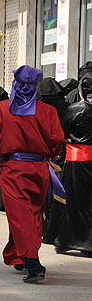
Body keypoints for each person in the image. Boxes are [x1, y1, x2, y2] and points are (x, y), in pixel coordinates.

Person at [0, 66, 64, 283]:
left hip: (13, 170)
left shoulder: (1, 110)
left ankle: (33, 262)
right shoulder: (48, 111)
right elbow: (57, 140)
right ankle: (20, 255)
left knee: (19, 216)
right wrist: (51, 156)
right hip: (39, 169)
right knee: (33, 215)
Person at [47, 73, 92, 256]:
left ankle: (66, 240)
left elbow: (61, 134)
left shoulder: (74, 110)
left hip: (77, 161)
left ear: (80, 91)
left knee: (70, 201)